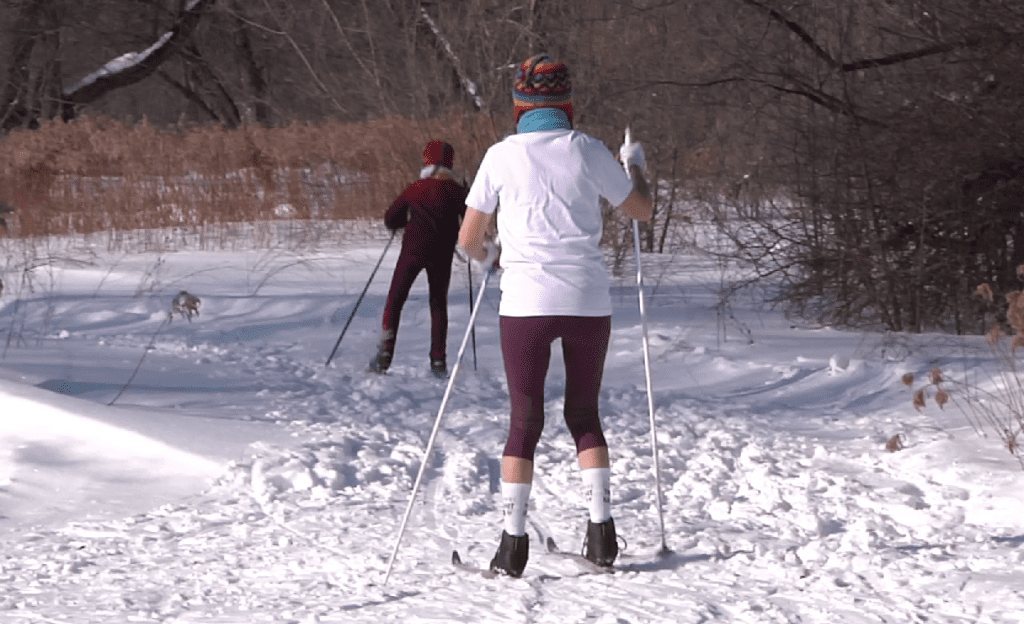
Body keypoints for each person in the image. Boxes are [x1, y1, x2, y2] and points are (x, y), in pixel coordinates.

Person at [458, 54, 653, 577]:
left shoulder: (501, 156)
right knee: (584, 416)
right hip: (588, 302)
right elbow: (641, 209)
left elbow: (468, 238)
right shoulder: (587, 150)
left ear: (521, 102)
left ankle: (512, 545)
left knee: (525, 421)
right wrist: (634, 164)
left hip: (525, 305)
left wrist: (491, 259)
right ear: (567, 102)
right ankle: (601, 534)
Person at [369, 140, 468, 378]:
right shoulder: (457, 191)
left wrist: (409, 222)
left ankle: (385, 353)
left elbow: (391, 219)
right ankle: (438, 360)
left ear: (427, 161)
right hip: (442, 254)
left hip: (412, 251)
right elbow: (470, 223)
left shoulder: (416, 188)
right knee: (437, 304)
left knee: (396, 300)